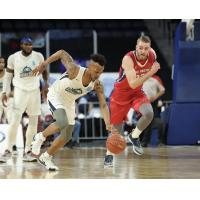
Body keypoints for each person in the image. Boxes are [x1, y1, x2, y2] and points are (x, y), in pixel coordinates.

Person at [31, 50, 110, 171]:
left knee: (67, 136)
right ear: (89, 66)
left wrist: (108, 123)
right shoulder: (74, 70)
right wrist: (44, 63)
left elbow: (103, 105)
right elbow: (62, 53)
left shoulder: (97, 85)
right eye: (96, 71)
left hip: (69, 102)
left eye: (100, 72)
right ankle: (40, 137)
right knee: (62, 122)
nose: (98, 75)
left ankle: (46, 157)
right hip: (55, 95)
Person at [104, 35, 160, 167]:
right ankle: (109, 155)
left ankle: (134, 136)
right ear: (136, 47)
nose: (143, 51)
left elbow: (136, 87)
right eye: (140, 48)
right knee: (116, 130)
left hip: (136, 93)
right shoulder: (128, 59)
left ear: (149, 49)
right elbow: (133, 83)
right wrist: (151, 72)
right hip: (120, 95)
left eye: (146, 48)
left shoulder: (152, 56)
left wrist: (151, 71)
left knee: (149, 114)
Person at [1, 37, 48, 162]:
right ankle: (8, 150)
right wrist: (5, 91)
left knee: (33, 121)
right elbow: (8, 76)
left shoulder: (38, 56)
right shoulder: (13, 58)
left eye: (30, 44)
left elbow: (44, 71)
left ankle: (28, 150)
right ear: (21, 45)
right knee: (15, 121)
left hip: (34, 91)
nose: (29, 47)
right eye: (26, 44)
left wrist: (46, 85)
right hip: (19, 91)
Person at [141, 75, 166, 146]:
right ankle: (145, 141)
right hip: (144, 104)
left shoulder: (155, 79)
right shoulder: (140, 79)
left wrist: (154, 98)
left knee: (160, 123)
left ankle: (160, 141)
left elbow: (162, 90)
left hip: (153, 104)